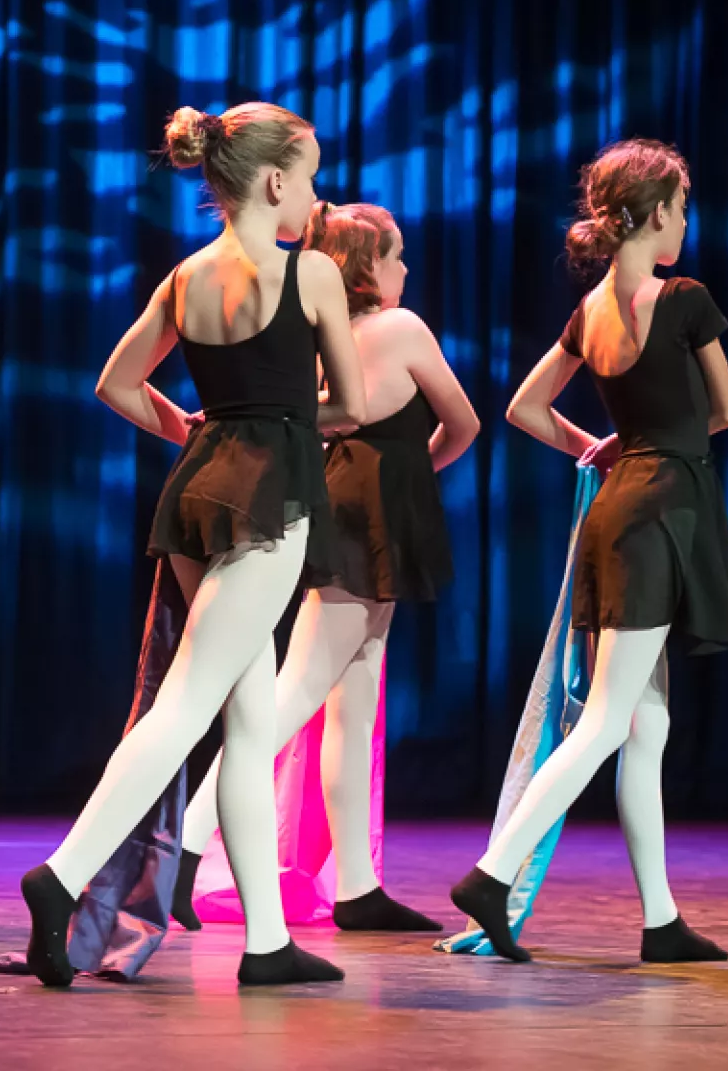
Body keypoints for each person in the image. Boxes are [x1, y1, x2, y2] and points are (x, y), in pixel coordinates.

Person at [17, 102, 366, 988]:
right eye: (313, 176)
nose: (317, 196)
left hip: (200, 490)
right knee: (186, 707)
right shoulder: (311, 274)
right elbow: (350, 409)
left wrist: (194, 431)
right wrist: (279, 423)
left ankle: (266, 941)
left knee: (247, 731)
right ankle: (60, 876)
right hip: (273, 494)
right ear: (277, 180)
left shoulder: (185, 277)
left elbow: (115, 383)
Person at [450, 138, 728, 964]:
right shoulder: (683, 298)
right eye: (681, 207)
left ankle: (660, 921)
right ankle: (491, 873)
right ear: (654, 215)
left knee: (645, 723)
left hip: (617, 510)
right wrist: (639, 440)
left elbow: (525, 409)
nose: (686, 221)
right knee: (610, 718)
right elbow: (723, 411)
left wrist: (609, 443)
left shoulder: (591, 316)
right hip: (664, 509)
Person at [176, 200, 479, 935]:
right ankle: (178, 853)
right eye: (397, 254)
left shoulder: (325, 340)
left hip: (346, 504)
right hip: (366, 516)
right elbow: (462, 422)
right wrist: (413, 477)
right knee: (297, 692)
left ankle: (357, 885)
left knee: (353, 700)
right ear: (368, 266)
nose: (406, 268)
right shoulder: (400, 329)